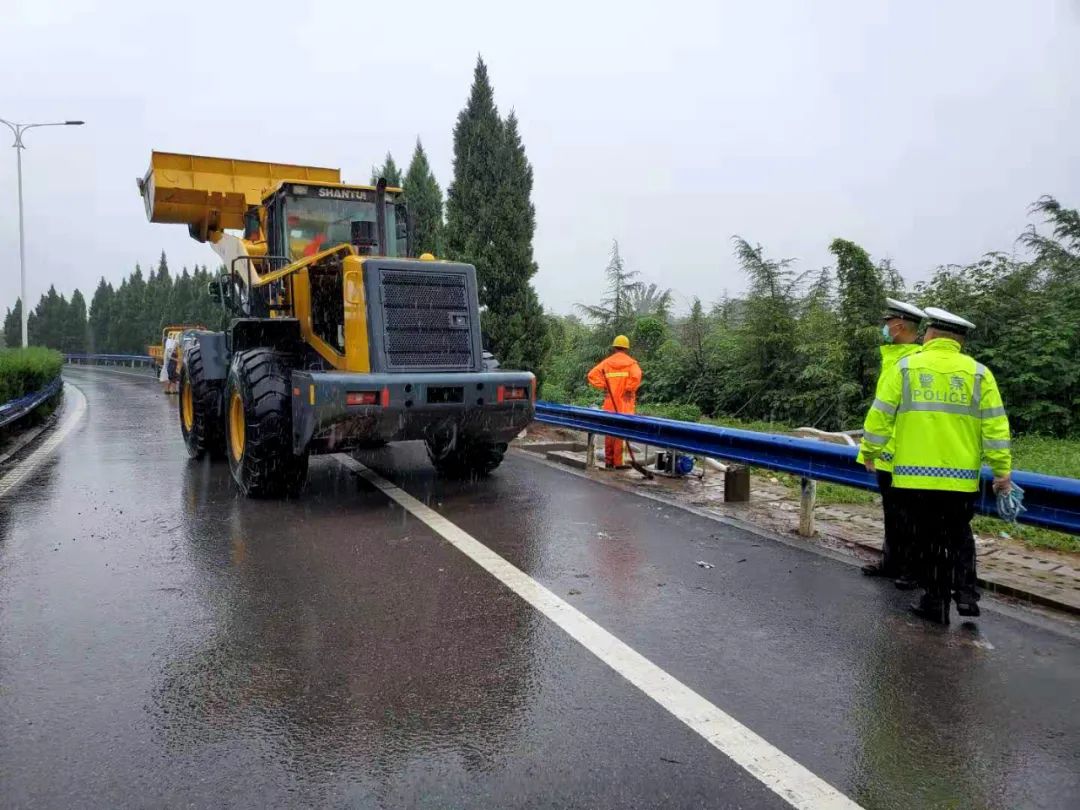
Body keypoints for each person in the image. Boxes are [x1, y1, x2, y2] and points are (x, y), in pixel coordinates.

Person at [858, 307, 1012, 624]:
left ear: (931, 335)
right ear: (959, 341)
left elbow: (880, 416)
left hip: (914, 477)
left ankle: (935, 600)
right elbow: (996, 427)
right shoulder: (980, 374)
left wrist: (870, 451)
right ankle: (967, 594)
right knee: (959, 534)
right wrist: (1001, 470)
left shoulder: (905, 368)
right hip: (960, 479)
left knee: (926, 539)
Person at [857, 298, 926, 588]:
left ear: (898, 326)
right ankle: (892, 562)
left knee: (912, 517)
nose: (884, 328)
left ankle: (913, 569)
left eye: (887, 323)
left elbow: (883, 412)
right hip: (892, 454)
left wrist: (868, 450)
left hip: (910, 455)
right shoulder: (895, 359)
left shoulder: (911, 364)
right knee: (894, 514)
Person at [587, 335, 642, 469]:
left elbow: (591, 375)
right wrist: (629, 388)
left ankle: (609, 461)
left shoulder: (606, 363)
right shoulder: (632, 364)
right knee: (621, 434)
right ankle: (619, 464)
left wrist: (604, 385)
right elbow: (637, 376)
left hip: (610, 404)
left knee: (609, 432)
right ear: (626, 348)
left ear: (614, 347)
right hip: (625, 404)